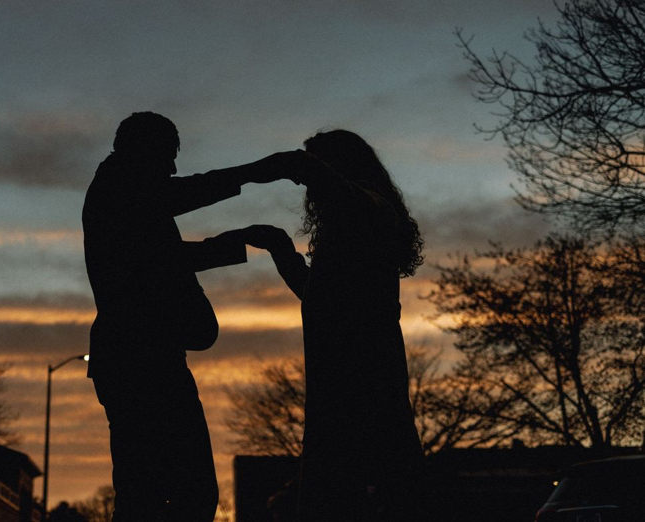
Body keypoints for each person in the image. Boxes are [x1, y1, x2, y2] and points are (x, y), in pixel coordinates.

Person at [83, 111, 302, 522]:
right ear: (141, 151)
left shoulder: (122, 194)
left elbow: (162, 255)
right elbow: (167, 244)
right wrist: (255, 175)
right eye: (167, 156)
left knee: (152, 494)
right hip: (141, 360)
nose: (172, 167)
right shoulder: (119, 190)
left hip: (141, 358)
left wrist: (237, 239)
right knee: (180, 493)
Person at [243, 129, 432, 522]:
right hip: (342, 371)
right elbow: (320, 297)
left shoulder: (369, 210)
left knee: (371, 481)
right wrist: (282, 250)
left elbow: (334, 188)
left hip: (363, 370)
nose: (305, 186)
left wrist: (293, 165)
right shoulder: (352, 222)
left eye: (316, 170)